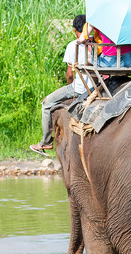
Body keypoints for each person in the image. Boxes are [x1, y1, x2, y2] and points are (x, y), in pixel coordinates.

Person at [30, 14, 90, 155]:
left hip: (80, 88)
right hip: (94, 87)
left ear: (75, 30)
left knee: (46, 104)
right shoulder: (96, 45)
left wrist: (72, 89)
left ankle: (45, 142)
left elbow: (70, 74)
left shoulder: (73, 45)